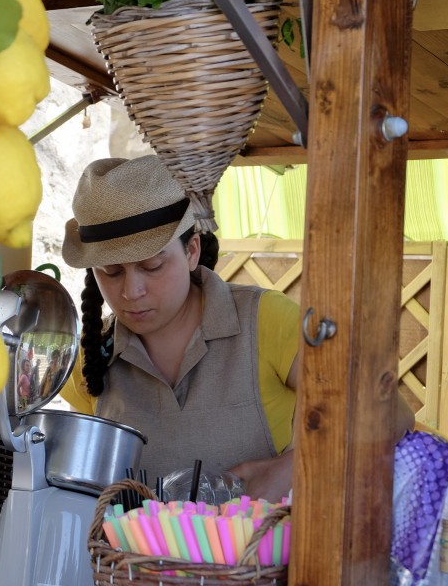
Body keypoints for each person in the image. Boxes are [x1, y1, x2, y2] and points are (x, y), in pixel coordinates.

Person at [60, 154, 301, 502]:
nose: (131, 291)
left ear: (191, 251)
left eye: (152, 266)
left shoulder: (266, 320)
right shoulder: (89, 357)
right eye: (110, 272)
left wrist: (292, 468)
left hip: (266, 554)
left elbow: (385, 416)